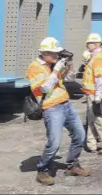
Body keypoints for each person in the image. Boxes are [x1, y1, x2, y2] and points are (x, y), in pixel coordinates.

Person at [26, 37, 92, 186]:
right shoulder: (34, 67)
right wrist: (56, 70)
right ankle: (42, 170)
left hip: (66, 104)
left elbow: (68, 79)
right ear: (44, 53)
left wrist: (68, 65)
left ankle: (73, 165)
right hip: (51, 108)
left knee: (80, 135)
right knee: (54, 143)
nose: (57, 56)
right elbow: (44, 88)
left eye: (57, 54)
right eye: (54, 54)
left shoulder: (53, 63)